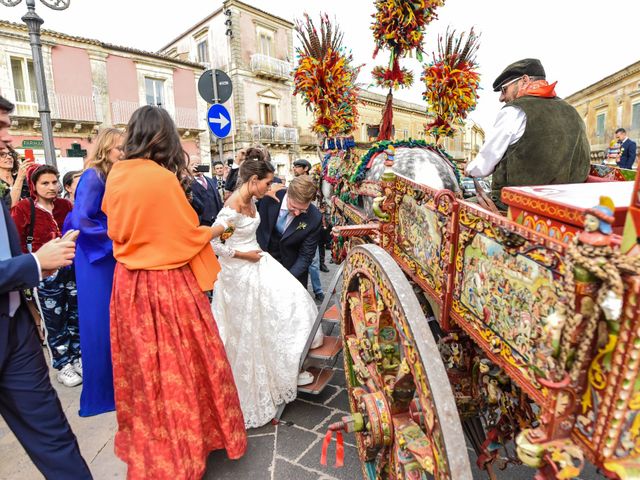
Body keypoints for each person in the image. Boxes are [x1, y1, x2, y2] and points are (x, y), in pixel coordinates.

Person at [102, 105, 246, 479]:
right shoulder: (160, 179)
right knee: (183, 366)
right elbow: (185, 236)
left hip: (128, 285)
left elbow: (117, 227)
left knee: (145, 372)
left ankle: (154, 444)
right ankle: (187, 446)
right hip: (165, 283)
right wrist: (216, 231)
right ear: (164, 137)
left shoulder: (117, 173)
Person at [0, 95, 92, 479]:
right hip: (38, 279)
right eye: (0, 125)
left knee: (54, 435)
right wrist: (35, 263)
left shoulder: (62, 207)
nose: (7, 137)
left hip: (14, 328)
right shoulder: (21, 205)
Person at [210, 147, 322, 428]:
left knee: (293, 302)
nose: (271, 187)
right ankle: (273, 374)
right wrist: (243, 255)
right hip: (241, 270)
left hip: (262, 262)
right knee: (253, 326)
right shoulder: (232, 209)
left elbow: (307, 253)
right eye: (267, 182)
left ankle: (287, 366)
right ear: (253, 181)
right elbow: (216, 243)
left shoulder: (257, 199)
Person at [464, 58, 590, 210]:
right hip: (568, 206)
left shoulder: (514, 111)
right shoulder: (572, 111)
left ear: (524, 80)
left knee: (452, 209)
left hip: (517, 206)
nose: (501, 98)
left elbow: (484, 165)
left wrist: (470, 169)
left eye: (504, 90)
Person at [63, 128, 122, 417]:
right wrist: (117, 241)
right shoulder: (94, 175)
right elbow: (82, 219)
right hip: (97, 257)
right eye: (118, 148)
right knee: (100, 322)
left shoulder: (110, 174)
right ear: (105, 149)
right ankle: (102, 394)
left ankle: (117, 387)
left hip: (106, 254)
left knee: (113, 322)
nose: (123, 152)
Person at [11, 164, 82, 387]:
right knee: (54, 320)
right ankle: (62, 364)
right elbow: (17, 242)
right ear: (34, 186)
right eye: (45, 183)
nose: (51, 187)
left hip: (71, 269)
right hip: (44, 274)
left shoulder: (64, 205)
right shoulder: (24, 208)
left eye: (54, 182)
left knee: (75, 314)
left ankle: (78, 357)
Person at [257, 174, 323, 287]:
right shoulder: (269, 196)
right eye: (293, 207)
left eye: (302, 210)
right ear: (288, 194)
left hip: (293, 271)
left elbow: (306, 256)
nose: (297, 213)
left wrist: (287, 279)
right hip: (260, 265)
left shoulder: (315, 217)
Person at [292, 158, 325, 300]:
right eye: (294, 166)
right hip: (295, 225)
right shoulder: (293, 184)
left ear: (305, 168)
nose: (294, 169)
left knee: (313, 260)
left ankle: (318, 290)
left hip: (311, 223)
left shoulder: (315, 181)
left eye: (297, 166)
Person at [190, 155, 223, 226]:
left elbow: (218, 200)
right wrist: (191, 175)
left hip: (216, 221)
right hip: (201, 223)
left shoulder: (211, 181)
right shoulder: (188, 183)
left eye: (198, 164)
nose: (196, 167)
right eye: (192, 165)